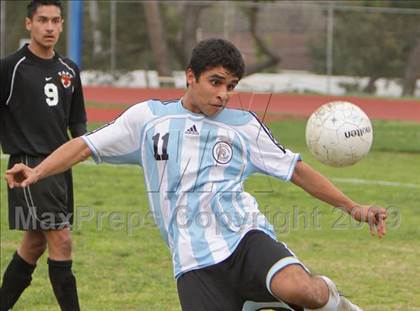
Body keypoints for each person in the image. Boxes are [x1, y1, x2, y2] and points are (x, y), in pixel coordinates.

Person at [4, 38, 387, 311]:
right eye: (215, 82)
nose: (223, 94)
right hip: (191, 260)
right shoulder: (148, 118)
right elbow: (84, 145)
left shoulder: (244, 126)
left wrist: (354, 208)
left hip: (243, 238)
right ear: (191, 76)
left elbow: (297, 171)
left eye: (231, 86)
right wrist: (37, 172)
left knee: (306, 293)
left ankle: (338, 302)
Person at [0, 1, 86, 310]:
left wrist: (91, 148)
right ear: (28, 24)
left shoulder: (69, 70)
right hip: (30, 164)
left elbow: (77, 123)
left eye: (55, 21)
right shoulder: (10, 68)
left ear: (62, 25)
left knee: (34, 243)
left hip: (60, 166)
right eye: (42, 20)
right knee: (61, 240)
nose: (49, 27)